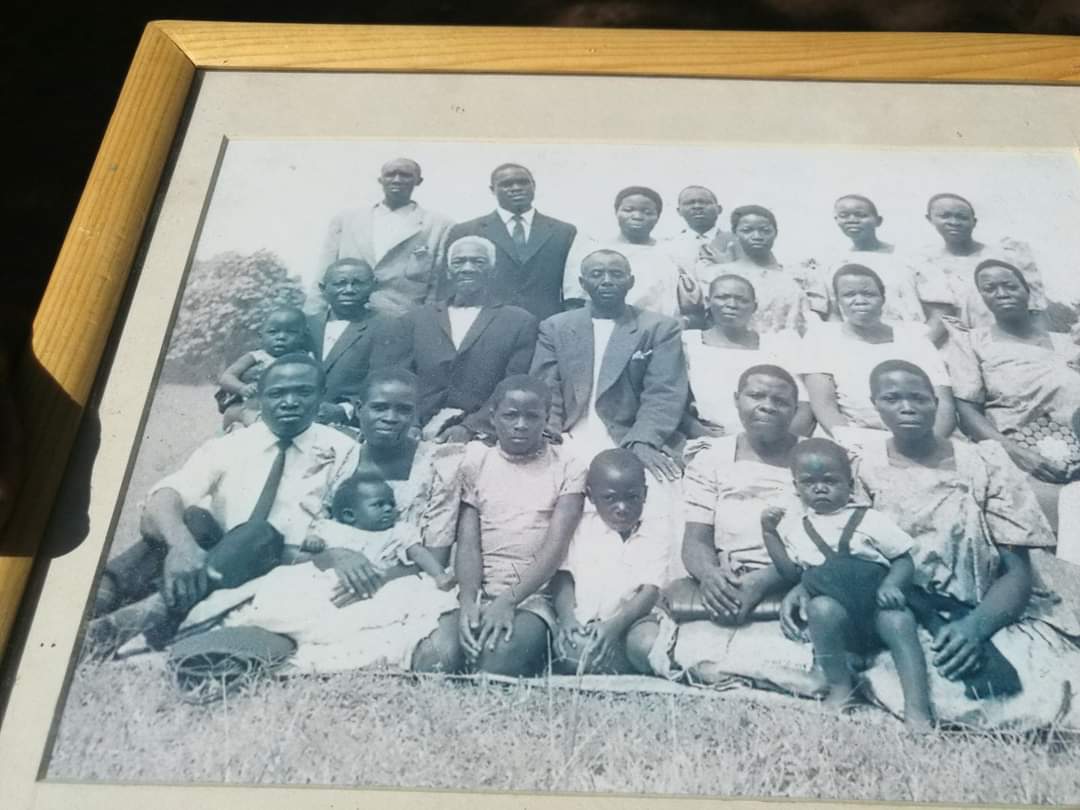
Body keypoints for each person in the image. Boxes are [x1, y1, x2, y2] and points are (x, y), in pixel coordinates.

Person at [182, 368, 466, 674]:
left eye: (403, 409)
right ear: (359, 409)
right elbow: (298, 539)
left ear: (416, 413)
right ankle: (248, 648)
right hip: (326, 571)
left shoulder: (440, 465)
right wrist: (333, 557)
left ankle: (284, 653)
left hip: (403, 576)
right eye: (380, 407)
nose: (391, 417)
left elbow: (436, 556)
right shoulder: (335, 457)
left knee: (438, 655)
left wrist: (377, 577)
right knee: (286, 609)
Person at [850, 359, 1080, 728]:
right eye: (892, 398)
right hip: (902, 615)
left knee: (1040, 697)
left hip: (983, 607)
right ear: (874, 403)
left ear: (936, 403)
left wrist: (975, 628)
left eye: (918, 398)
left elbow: (1016, 571)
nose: (907, 407)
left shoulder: (984, 463)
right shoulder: (861, 469)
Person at [89, 354, 361, 647]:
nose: (290, 402)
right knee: (192, 520)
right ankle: (98, 599)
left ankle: (143, 617)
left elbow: (344, 528)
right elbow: (164, 497)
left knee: (258, 532)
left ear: (321, 395)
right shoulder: (233, 444)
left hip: (285, 562)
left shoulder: (344, 451)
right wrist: (181, 546)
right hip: (217, 557)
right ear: (260, 397)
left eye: (303, 392)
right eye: (277, 393)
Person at [759, 438, 932, 729]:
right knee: (820, 608)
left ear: (850, 485)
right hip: (840, 622)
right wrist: (769, 534)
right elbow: (791, 573)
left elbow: (903, 559)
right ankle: (840, 688)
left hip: (877, 608)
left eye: (830, 481)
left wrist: (892, 585)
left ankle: (918, 708)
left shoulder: (870, 520)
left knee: (900, 620)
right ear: (796, 488)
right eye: (809, 482)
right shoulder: (799, 530)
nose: (820, 488)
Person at [443, 375, 587, 677]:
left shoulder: (567, 466)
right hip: (478, 589)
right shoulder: (477, 462)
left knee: (496, 659)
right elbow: (468, 543)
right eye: (511, 415)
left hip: (533, 595)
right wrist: (469, 601)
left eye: (532, 416)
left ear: (547, 419)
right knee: (437, 656)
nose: (521, 424)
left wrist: (508, 601)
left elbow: (555, 548)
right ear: (493, 418)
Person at [531, 249, 689, 482]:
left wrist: (644, 440)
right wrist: (549, 433)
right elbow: (546, 388)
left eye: (616, 274)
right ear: (582, 283)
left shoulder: (658, 328)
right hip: (568, 435)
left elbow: (663, 393)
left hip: (628, 436)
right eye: (597, 274)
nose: (607, 281)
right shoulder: (556, 327)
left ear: (630, 282)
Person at [950, 259, 1080, 533]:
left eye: (1009, 286)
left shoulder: (1068, 342)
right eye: (990, 288)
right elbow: (967, 410)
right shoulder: (973, 342)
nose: (1001, 293)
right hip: (1016, 456)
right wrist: (1017, 453)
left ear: (1027, 290)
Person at [802, 264, 954, 451]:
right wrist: (854, 445)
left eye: (869, 294)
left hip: (920, 439)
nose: (860, 301)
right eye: (849, 295)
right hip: (853, 439)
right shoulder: (822, 337)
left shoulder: (914, 337)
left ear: (883, 298)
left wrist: (927, 446)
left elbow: (943, 404)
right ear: (839, 301)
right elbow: (824, 406)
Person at [404, 235, 538, 442]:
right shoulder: (417, 318)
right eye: (459, 262)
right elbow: (402, 378)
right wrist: (410, 424)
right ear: (448, 271)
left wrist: (470, 427)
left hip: (481, 435)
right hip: (415, 430)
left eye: (478, 262)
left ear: (492, 271)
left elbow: (511, 387)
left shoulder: (518, 321)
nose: (468, 268)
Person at [550, 449, 669, 675]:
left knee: (647, 644)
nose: (622, 508)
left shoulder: (655, 530)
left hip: (631, 622)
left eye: (632, 497)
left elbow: (649, 591)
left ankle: (619, 658)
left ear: (645, 494)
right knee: (575, 652)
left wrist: (613, 627)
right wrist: (567, 619)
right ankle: (612, 661)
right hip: (584, 621)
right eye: (610, 498)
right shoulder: (581, 527)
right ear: (591, 496)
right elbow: (563, 577)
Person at [316, 157, 454, 317]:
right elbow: (323, 274)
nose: (397, 180)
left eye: (405, 175)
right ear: (380, 180)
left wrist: (428, 322)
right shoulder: (346, 220)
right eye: (390, 175)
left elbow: (436, 284)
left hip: (404, 319)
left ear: (418, 181)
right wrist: (315, 318)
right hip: (348, 317)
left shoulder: (439, 225)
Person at [681, 274, 813, 439]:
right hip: (709, 440)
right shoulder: (688, 342)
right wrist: (698, 431)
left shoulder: (776, 345)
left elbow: (803, 406)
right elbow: (670, 399)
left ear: (754, 306)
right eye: (723, 297)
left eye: (742, 300)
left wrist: (779, 444)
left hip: (772, 442)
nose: (732, 305)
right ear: (708, 302)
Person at [443, 163, 577, 322]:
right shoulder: (466, 231)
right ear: (492, 190)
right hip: (486, 324)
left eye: (523, 182)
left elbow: (571, 288)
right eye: (506, 184)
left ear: (533, 186)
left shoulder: (563, 232)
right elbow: (447, 286)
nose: (516, 188)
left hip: (545, 323)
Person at [913, 193, 1048, 332]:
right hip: (954, 345)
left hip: (1006, 341)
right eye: (945, 216)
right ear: (930, 219)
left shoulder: (1008, 256)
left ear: (974, 222)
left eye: (962, 217)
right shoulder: (925, 263)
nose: (954, 222)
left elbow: (1036, 309)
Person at [693, 205, 827, 335]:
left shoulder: (798, 277)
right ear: (735, 233)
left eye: (765, 230)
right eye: (747, 230)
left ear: (775, 233)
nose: (757, 236)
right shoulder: (716, 275)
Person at [307, 258, 411, 425]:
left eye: (358, 283)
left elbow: (383, 382)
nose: (349, 290)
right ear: (323, 288)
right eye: (340, 283)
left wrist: (344, 409)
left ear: (373, 285)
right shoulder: (307, 325)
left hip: (351, 424)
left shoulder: (387, 326)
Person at [563, 186, 689, 318]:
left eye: (647, 212)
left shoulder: (671, 253)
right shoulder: (593, 251)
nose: (637, 216)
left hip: (662, 328)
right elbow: (575, 301)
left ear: (657, 216)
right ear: (616, 212)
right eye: (628, 210)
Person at [815, 194, 925, 324]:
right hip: (856, 341)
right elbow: (834, 314)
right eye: (844, 216)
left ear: (878, 221)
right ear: (836, 220)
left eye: (860, 215)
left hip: (912, 335)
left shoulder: (909, 258)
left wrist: (920, 341)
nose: (852, 220)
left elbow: (938, 313)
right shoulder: (833, 264)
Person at [215, 305, 311, 431]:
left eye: (291, 332)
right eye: (273, 332)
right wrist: (242, 388)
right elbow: (227, 377)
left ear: (303, 336)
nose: (281, 337)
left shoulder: (304, 360)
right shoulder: (257, 356)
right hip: (253, 408)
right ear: (261, 335)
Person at [665, 185, 738, 273]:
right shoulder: (668, 247)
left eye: (705, 202)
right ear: (679, 211)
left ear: (719, 209)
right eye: (689, 203)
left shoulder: (736, 242)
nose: (697, 206)